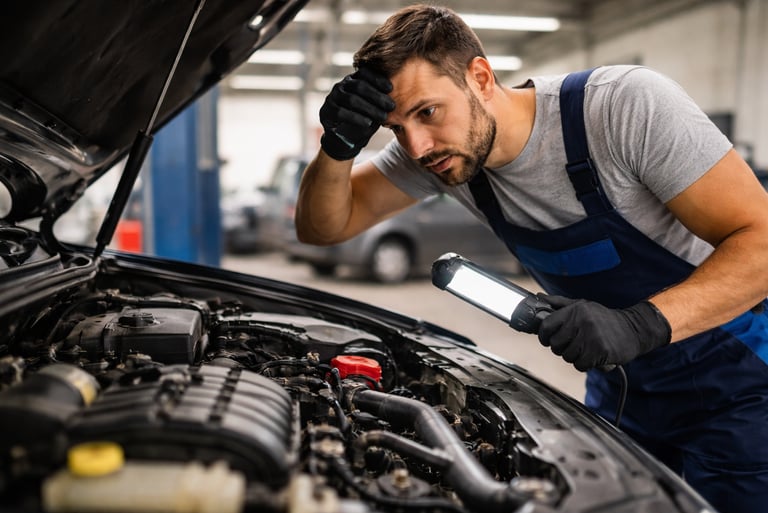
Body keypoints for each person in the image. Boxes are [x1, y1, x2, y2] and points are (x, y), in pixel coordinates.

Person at [294, 5, 768, 512]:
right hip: (623, 390)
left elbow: (761, 241)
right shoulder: (444, 154)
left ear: (480, 77)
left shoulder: (621, 109)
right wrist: (338, 150)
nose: (416, 147)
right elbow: (323, 227)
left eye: (427, 112)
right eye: (396, 128)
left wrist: (642, 324)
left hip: (739, 387)